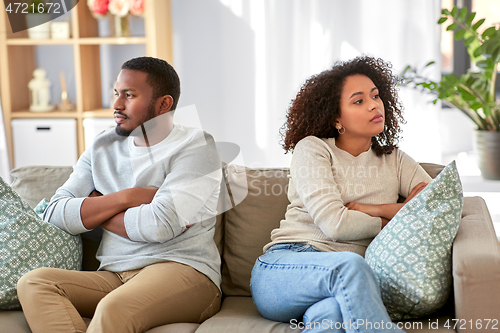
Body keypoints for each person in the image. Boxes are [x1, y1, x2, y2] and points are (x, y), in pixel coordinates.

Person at [17, 57, 223, 333]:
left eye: (129, 95)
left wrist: (94, 206)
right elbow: (54, 213)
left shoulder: (196, 146)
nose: (116, 104)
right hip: (115, 275)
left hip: (183, 271)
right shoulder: (102, 145)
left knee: (114, 308)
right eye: (117, 93)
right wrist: (127, 198)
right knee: (33, 283)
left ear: (164, 104)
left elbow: (159, 225)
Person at [250, 56, 432, 333]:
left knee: (331, 319)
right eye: (358, 101)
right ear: (336, 118)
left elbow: (435, 204)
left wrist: (372, 209)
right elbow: (335, 224)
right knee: (350, 265)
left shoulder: (394, 160)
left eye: (375, 95)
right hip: (286, 266)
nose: (374, 105)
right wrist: (393, 216)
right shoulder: (313, 149)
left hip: (340, 287)